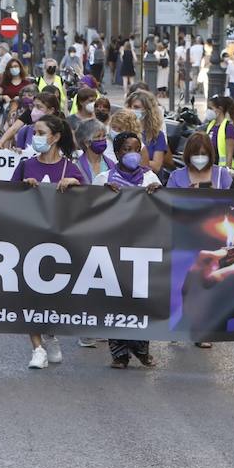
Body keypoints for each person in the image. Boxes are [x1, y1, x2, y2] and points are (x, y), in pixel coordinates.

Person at [10, 114, 83, 369]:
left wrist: (76, 184)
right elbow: (7, 198)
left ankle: (50, 333)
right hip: (30, 240)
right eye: (35, 133)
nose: (36, 138)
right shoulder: (26, 165)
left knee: (54, 294)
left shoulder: (71, 169)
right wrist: (23, 187)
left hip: (60, 245)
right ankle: (37, 347)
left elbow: (90, 202)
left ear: (55, 137)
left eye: (41, 133)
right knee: (31, 295)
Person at [91, 130, 161, 368]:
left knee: (141, 299)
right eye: (126, 150)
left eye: (136, 149)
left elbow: (163, 212)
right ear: (118, 153)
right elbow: (89, 209)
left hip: (143, 248)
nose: (132, 154)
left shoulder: (151, 179)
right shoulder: (104, 179)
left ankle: (141, 349)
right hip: (114, 247)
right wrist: (103, 196)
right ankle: (119, 354)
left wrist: (157, 196)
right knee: (116, 299)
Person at [203, 95, 234, 170]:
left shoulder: (229, 128)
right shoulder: (211, 126)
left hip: (222, 172)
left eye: (210, 108)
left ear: (219, 109)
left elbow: (229, 157)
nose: (208, 111)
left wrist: (226, 175)